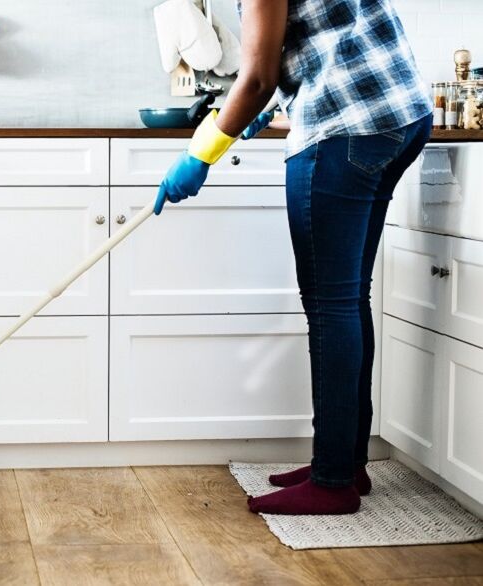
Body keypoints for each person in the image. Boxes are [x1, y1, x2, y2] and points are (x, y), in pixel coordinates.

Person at [155, 0, 432, 515]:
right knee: (348, 300)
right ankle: (345, 463)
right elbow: (309, 46)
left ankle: (332, 483)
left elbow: (257, 76)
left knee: (331, 306)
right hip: (399, 118)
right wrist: (264, 110)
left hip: (345, 128)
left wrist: (202, 154)